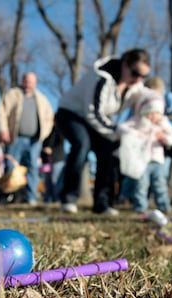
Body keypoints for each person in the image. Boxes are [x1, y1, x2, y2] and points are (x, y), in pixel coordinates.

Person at [56, 48, 150, 214]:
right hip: (71, 114)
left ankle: (103, 203)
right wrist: (117, 130)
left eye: (143, 76)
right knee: (81, 145)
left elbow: (148, 100)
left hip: (96, 119)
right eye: (136, 73)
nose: (138, 79)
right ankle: (68, 199)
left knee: (109, 151)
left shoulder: (134, 85)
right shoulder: (100, 78)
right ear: (125, 65)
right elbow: (93, 112)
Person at [117, 88, 172, 221]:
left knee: (160, 183)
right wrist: (136, 134)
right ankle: (140, 207)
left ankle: (164, 206)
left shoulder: (163, 124)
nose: (153, 116)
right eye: (150, 113)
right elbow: (122, 128)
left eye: (156, 113)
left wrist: (165, 138)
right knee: (141, 184)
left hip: (158, 160)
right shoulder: (138, 122)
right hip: (142, 160)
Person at [0, 72, 55, 205]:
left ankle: (31, 197)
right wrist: (4, 130)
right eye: (26, 81)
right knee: (11, 166)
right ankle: (9, 196)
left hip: (34, 141)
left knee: (33, 167)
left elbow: (49, 118)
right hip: (15, 138)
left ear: (36, 83)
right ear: (23, 81)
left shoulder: (42, 99)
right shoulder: (12, 95)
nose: (29, 84)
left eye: (32, 82)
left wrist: (43, 135)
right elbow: (1, 113)